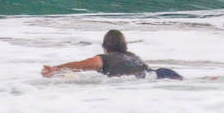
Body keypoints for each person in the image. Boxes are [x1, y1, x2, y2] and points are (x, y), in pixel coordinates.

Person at [41, 29, 182, 79]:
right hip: (163, 73)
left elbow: (82, 65)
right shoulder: (132, 55)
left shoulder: (104, 59)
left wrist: (55, 69)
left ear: (105, 47)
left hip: (142, 79)